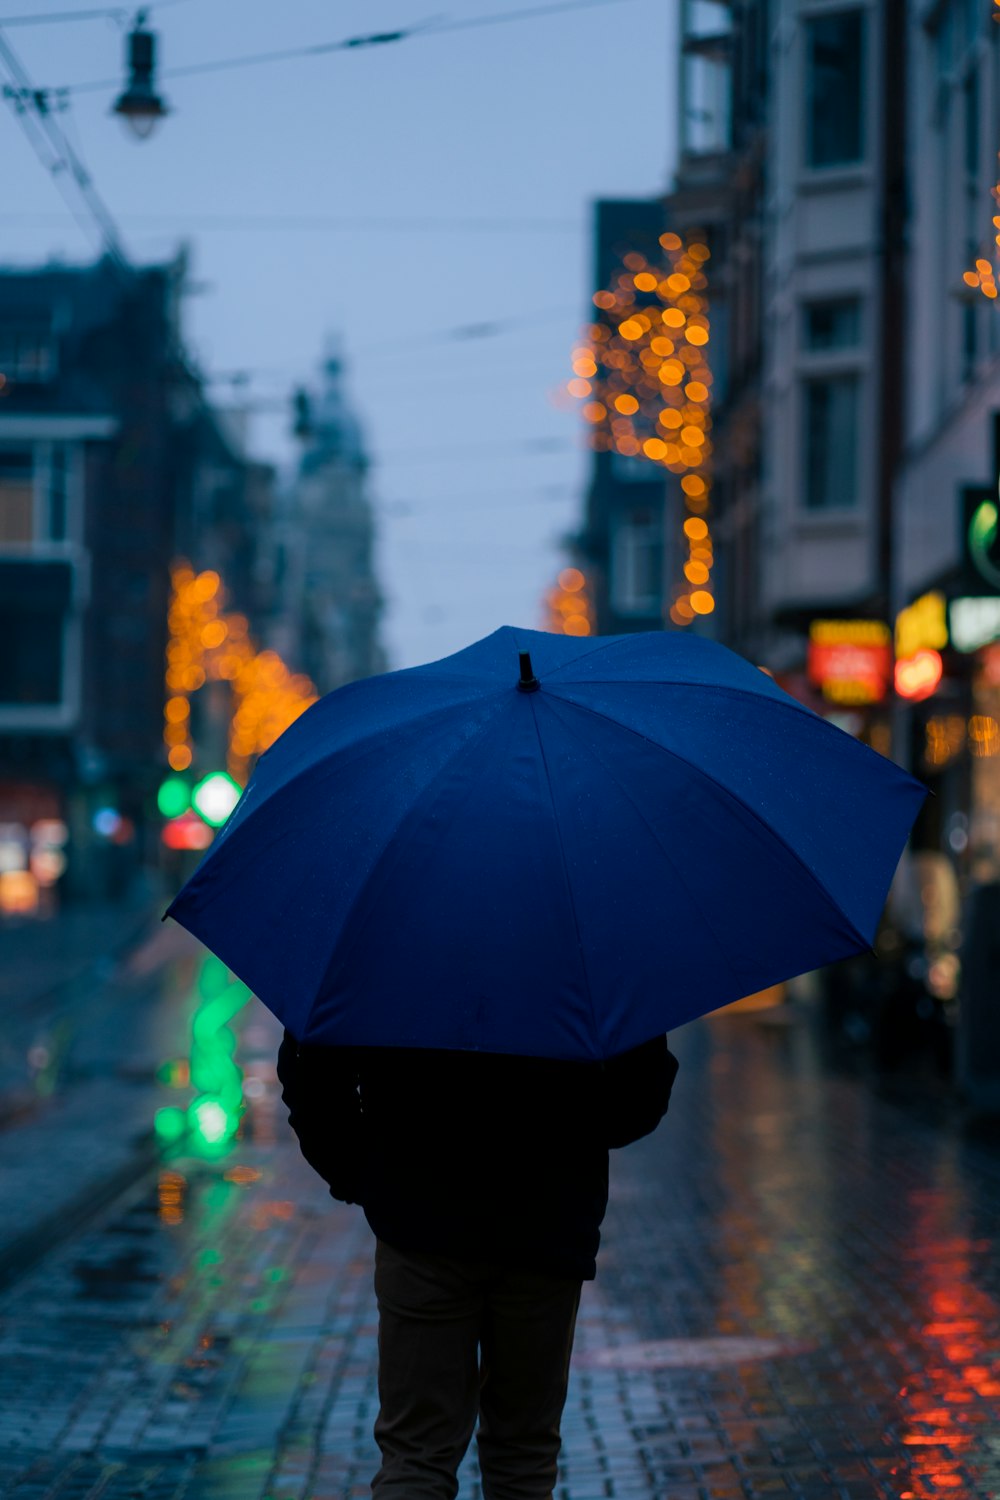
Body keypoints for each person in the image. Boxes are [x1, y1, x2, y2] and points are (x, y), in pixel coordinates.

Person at [277, 1031, 679, 1500]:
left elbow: (312, 1070)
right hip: (545, 1222)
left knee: (416, 1456)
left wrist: (363, 1176)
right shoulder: (589, 959)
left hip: (421, 1217)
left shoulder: (380, 960)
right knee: (523, 1456)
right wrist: (566, 1132)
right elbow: (639, 1096)